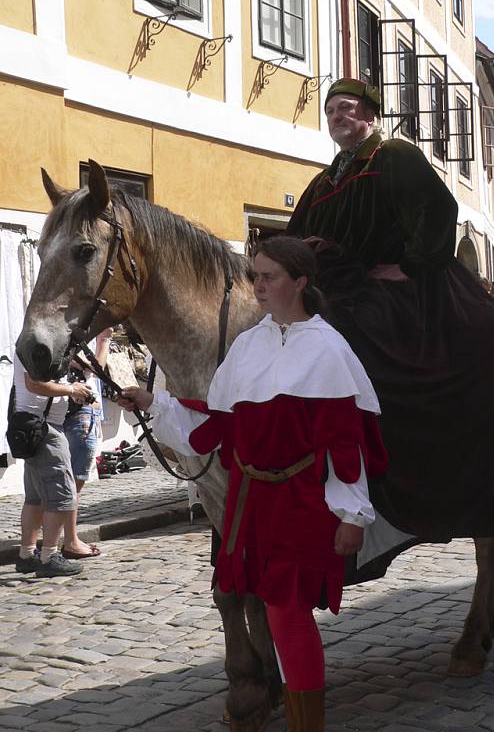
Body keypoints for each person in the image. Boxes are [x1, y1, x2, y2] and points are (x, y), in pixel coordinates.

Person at [118, 236, 388, 731]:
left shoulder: (328, 347)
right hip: (252, 506)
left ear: (300, 283)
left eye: (269, 277)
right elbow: (214, 430)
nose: (258, 286)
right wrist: (152, 403)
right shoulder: (247, 345)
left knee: (287, 614)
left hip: (303, 503)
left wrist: (351, 514)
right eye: (255, 276)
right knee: (273, 613)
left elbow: (346, 444)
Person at [287, 77, 494, 554]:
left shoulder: (394, 156)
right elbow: (293, 238)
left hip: (395, 285)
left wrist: (407, 264)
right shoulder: (323, 180)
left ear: (369, 114)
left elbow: (438, 209)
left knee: (365, 343)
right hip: (334, 287)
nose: (338, 117)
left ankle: (388, 462)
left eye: (347, 108)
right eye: (331, 112)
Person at [13, 358, 93, 577]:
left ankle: (27, 555)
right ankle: (49, 557)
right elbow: (35, 384)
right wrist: (70, 388)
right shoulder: (39, 346)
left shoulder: (30, 343)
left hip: (33, 425)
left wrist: (69, 392)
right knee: (61, 495)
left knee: (35, 498)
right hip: (45, 429)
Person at [61, 327, 112, 558]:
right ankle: (70, 540)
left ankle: (63, 537)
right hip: (79, 412)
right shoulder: (70, 337)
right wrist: (105, 341)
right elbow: (95, 366)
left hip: (78, 412)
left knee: (71, 480)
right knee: (75, 481)